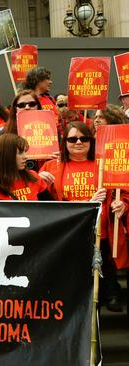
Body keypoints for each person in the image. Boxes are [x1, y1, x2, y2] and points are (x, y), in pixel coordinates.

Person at [40, 121, 127, 312]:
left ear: (91, 140)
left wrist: (122, 204)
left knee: (104, 270)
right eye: (72, 138)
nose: (78, 142)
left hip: (101, 232)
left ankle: (110, 293)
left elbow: (124, 190)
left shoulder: (105, 163)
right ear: (65, 142)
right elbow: (38, 196)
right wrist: (37, 177)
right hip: (71, 232)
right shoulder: (52, 166)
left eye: (84, 138)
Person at [0, 134, 52, 200]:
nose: (25, 157)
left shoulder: (34, 177)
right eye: (20, 153)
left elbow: (52, 209)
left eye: (25, 152)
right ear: (6, 156)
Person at [23, 66, 60, 132]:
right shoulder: (25, 102)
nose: (51, 82)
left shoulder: (50, 99)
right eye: (48, 79)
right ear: (38, 80)